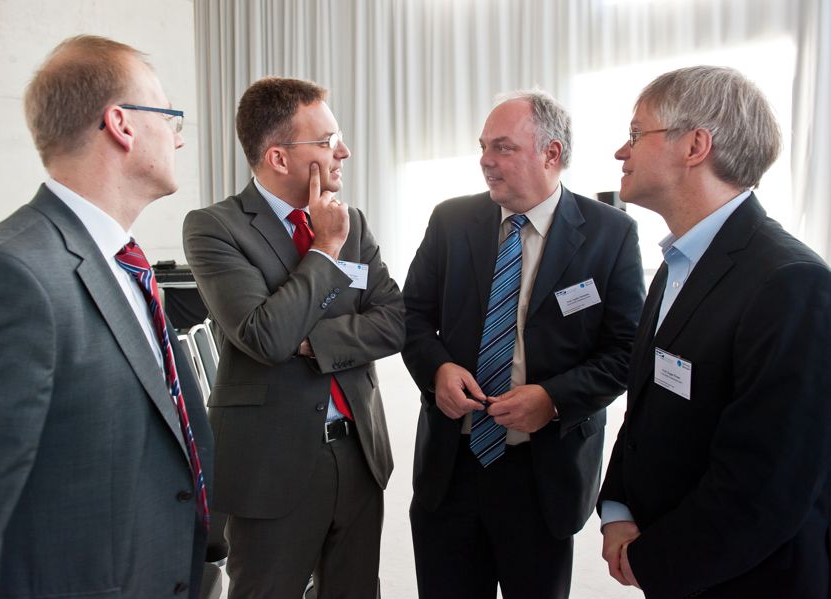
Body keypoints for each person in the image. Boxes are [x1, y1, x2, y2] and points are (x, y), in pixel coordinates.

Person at [0, 35, 214, 598]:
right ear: (121, 124)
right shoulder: (11, 277)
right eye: (169, 116)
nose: (179, 136)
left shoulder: (124, 263)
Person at [401, 90, 645, 599]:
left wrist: (553, 399)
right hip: (452, 466)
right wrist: (438, 369)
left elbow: (626, 351)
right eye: (483, 146)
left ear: (551, 154)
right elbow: (412, 317)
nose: (486, 160)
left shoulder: (611, 233)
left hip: (543, 474)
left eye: (503, 147)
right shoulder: (450, 221)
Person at [598, 65, 831, 598]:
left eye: (636, 133)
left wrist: (650, 561)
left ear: (695, 145)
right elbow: (646, 409)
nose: (621, 151)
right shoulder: (678, 264)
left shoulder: (792, 283)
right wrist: (618, 509)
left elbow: (767, 488)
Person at [183, 76, 405, 598]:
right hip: (270, 462)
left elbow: (395, 320)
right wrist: (324, 249)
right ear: (279, 158)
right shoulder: (215, 228)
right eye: (327, 141)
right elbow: (265, 336)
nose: (343, 152)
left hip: (357, 453)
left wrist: (311, 342)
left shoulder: (352, 222)